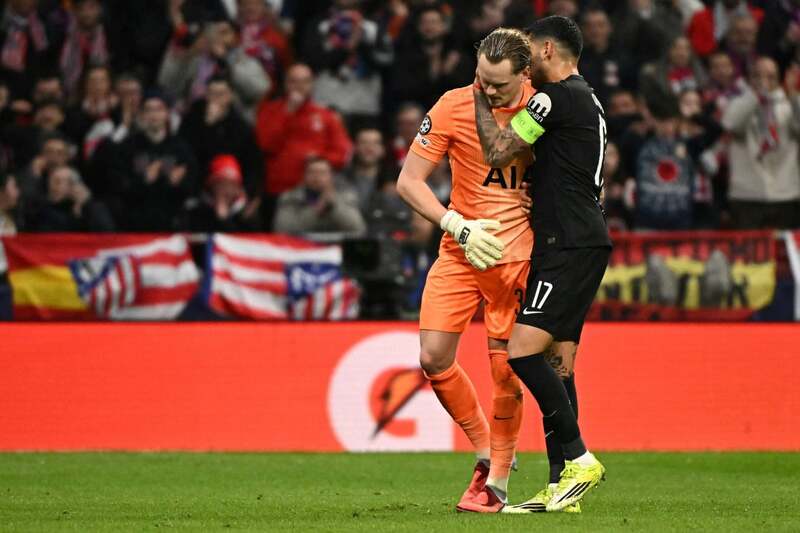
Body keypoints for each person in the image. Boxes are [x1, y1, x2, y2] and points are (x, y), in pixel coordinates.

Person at [472, 16, 610, 512]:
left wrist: (478, 95)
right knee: (559, 364)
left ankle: (578, 458)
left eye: (530, 51)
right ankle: (561, 487)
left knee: (523, 353)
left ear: (548, 48)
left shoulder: (551, 98)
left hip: (566, 245)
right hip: (584, 239)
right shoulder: (590, 99)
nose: (527, 61)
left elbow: (498, 150)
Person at [396, 28, 535, 513]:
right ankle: (482, 445)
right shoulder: (454, 104)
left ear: (525, 74)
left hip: (517, 255)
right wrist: (453, 222)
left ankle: (496, 478)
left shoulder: (545, 109)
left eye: (498, 85)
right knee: (433, 357)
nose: (487, 91)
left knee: (505, 368)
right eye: (482, 79)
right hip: (460, 248)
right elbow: (408, 181)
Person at [255, 63, 352, 227]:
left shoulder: (325, 116)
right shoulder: (269, 111)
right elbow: (264, 145)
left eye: (304, 81)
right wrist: (288, 113)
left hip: (315, 192)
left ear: (311, 84)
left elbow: (343, 153)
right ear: (285, 84)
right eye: (294, 81)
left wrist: (319, 160)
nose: (299, 87)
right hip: (277, 192)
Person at [721, 57, 800, 228]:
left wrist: (793, 94)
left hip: (785, 194)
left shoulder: (789, 106)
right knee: (747, 254)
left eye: (770, 77)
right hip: (747, 195)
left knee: (783, 253)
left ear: (779, 80)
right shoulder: (738, 103)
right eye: (758, 76)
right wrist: (755, 96)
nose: (764, 81)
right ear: (750, 78)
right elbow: (730, 124)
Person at [273, 157, 365, 235]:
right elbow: (282, 229)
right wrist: (316, 210)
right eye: (312, 172)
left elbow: (357, 228)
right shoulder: (290, 197)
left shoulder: (346, 195)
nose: (317, 177)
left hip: (336, 248)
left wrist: (334, 206)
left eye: (322, 173)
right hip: (302, 248)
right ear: (304, 176)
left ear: (331, 176)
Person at [180, 154, 258, 232]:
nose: (226, 189)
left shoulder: (247, 211)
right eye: (220, 183)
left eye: (231, 184)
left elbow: (249, 240)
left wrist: (225, 220)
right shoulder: (194, 209)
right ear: (211, 186)